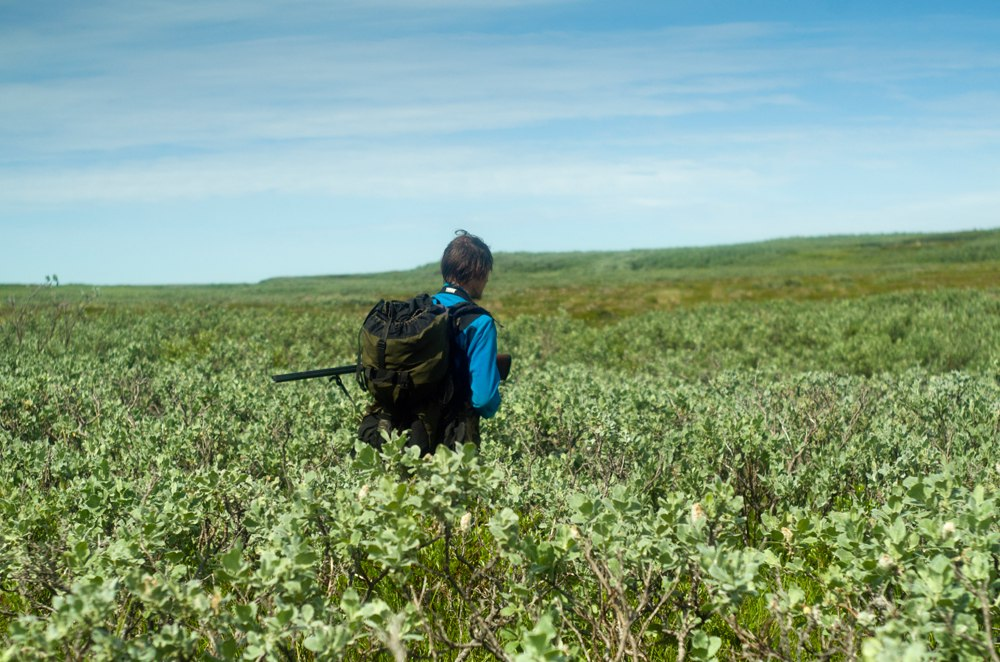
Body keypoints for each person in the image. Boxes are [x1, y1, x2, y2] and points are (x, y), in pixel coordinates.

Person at [357, 230, 501, 452]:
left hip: (402, 432)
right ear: (478, 271)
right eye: (487, 273)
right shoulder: (480, 323)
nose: (488, 280)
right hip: (450, 439)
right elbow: (484, 400)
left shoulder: (418, 314)